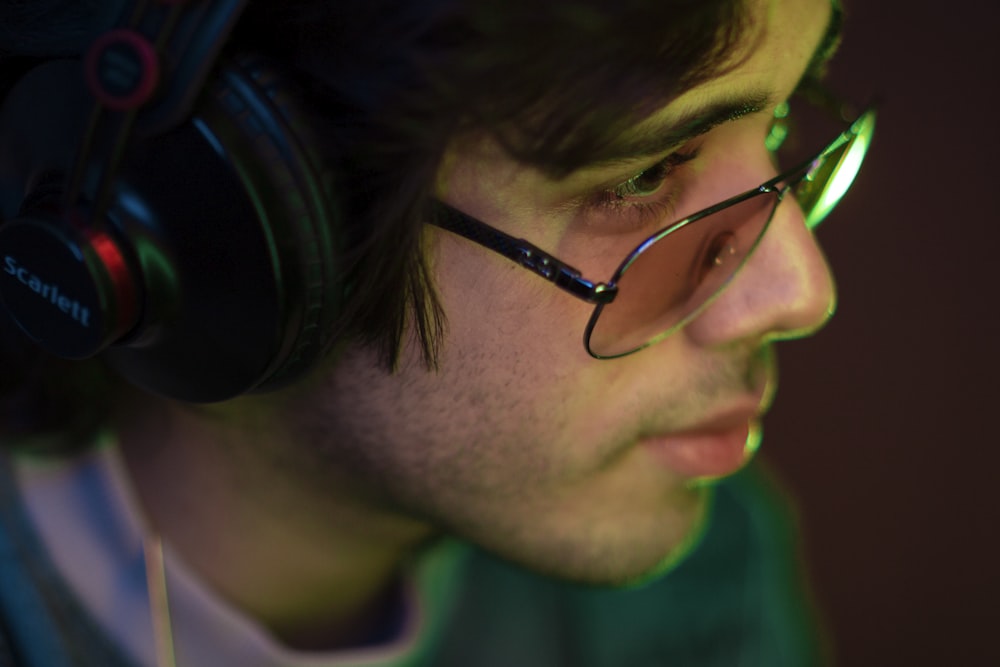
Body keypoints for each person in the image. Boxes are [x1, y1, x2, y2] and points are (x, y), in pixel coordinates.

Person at [0, 0, 874, 664]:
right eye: (644, 174)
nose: (800, 293)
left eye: (784, 122)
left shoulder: (702, 579)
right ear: (237, 217)